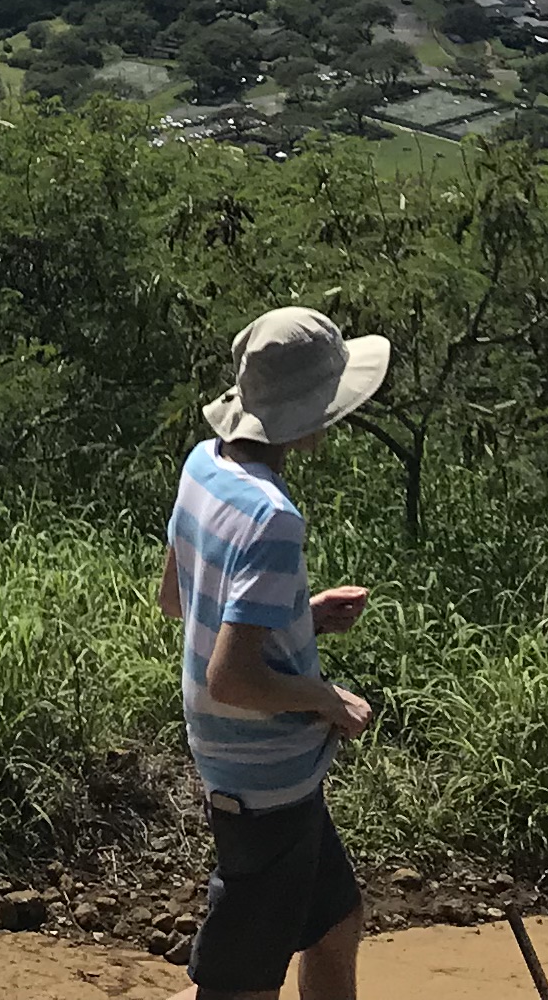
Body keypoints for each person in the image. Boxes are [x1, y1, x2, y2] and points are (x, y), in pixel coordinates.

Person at [162, 306, 388, 1000]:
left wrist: (298, 619)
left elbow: (181, 598)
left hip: (253, 775)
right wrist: (326, 698)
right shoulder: (273, 518)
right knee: (238, 989)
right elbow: (231, 677)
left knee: (335, 925)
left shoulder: (204, 467)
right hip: (266, 789)